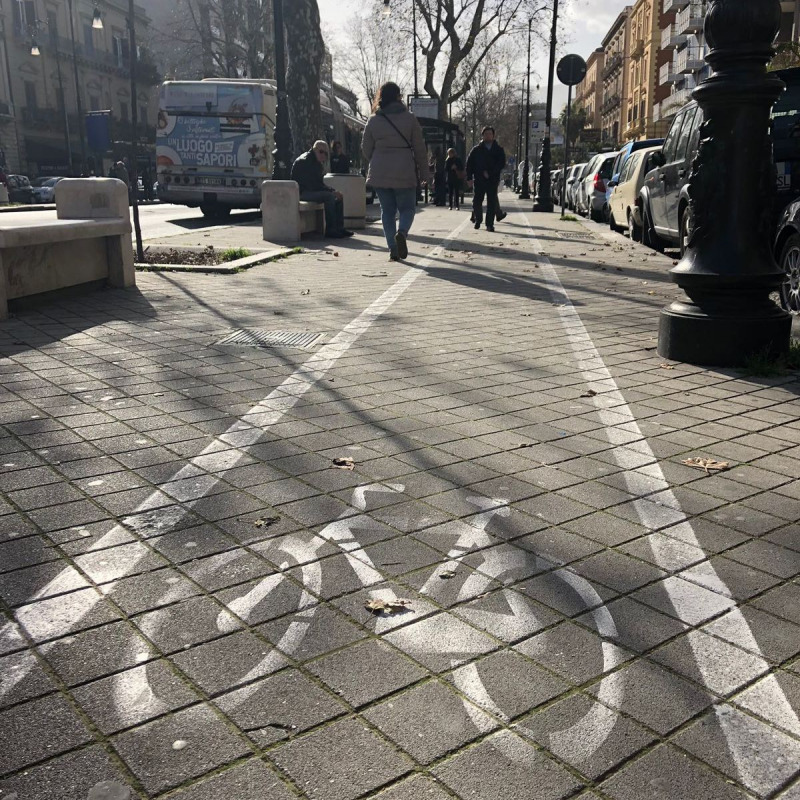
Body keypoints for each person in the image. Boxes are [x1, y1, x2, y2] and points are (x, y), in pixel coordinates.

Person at [362, 81, 428, 261]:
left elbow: (365, 149)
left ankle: (393, 248)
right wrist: (424, 174)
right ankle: (403, 233)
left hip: (380, 172)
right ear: (399, 97)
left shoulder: (373, 120)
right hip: (404, 171)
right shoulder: (410, 118)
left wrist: (377, 160)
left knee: (387, 211)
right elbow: (420, 149)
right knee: (407, 208)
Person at [290, 141, 353, 239]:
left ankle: (339, 228)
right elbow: (313, 185)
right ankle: (331, 230)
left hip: (310, 190)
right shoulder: (306, 161)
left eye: (326, 153)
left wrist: (333, 190)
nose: (323, 155)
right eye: (321, 152)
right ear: (314, 150)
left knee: (338, 196)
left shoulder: (316, 163)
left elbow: (319, 184)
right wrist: (331, 192)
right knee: (329, 197)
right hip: (302, 192)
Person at [466, 126, 506, 231]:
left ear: (493, 136)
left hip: (492, 180)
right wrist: (469, 177)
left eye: (490, 134)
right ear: (482, 136)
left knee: (491, 202)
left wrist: (491, 173)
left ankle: (489, 224)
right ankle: (478, 219)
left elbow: (501, 163)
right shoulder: (476, 150)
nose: (488, 136)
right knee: (477, 201)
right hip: (479, 179)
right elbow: (469, 164)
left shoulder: (498, 150)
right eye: (486, 134)